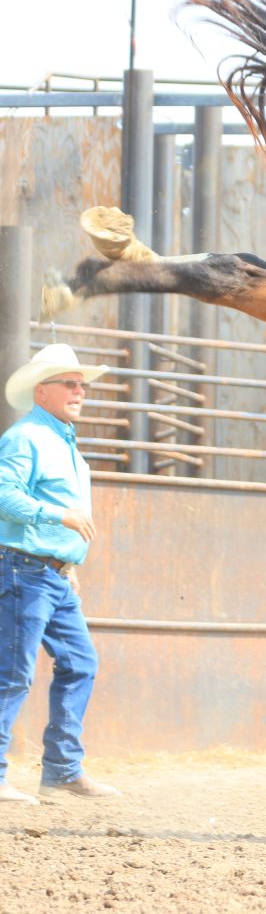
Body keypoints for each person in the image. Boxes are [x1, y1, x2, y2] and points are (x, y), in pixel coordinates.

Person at [0, 344, 121, 804]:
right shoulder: (26, 437)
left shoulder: (60, 440)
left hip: (51, 574)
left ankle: (62, 771)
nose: (79, 391)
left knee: (80, 663)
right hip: (23, 570)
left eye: (81, 385)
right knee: (13, 672)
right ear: (42, 391)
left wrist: (67, 563)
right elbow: (3, 496)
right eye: (69, 384)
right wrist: (58, 517)